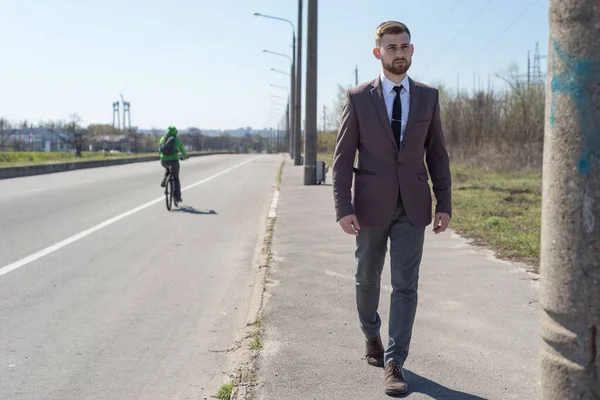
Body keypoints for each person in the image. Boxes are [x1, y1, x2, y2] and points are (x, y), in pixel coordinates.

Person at [332, 21, 452, 396]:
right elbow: (341, 160)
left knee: (405, 285)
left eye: (404, 46)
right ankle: (371, 334)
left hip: (413, 205)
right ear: (377, 53)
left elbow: (437, 153)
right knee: (367, 277)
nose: (398, 53)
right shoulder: (358, 98)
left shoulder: (428, 97)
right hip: (369, 204)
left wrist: (444, 202)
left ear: (412, 50)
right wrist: (343, 207)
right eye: (391, 47)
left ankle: (395, 361)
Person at [159, 126, 188, 202]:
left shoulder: (162, 139)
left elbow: (160, 150)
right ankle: (177, 197)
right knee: (176, 178)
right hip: (174, 160)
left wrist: (162, 157)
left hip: (163, 161)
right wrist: (185, 156)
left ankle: (165, 179)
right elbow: (182, 150)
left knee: (168, 168)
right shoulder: (176, 140)